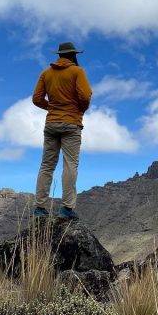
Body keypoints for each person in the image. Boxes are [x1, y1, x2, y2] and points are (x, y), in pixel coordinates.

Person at [32, 42, 92, 219]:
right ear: (73, 55)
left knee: (46, 165)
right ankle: (66, 208)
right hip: (71, 124)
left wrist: (51, 107)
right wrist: (79, 110)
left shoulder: (46, 73)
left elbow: (36, 98)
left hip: (51, 124)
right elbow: (85, 95)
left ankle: (40, 208)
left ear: (59, 55)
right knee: (70, 164)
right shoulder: (77, 72)